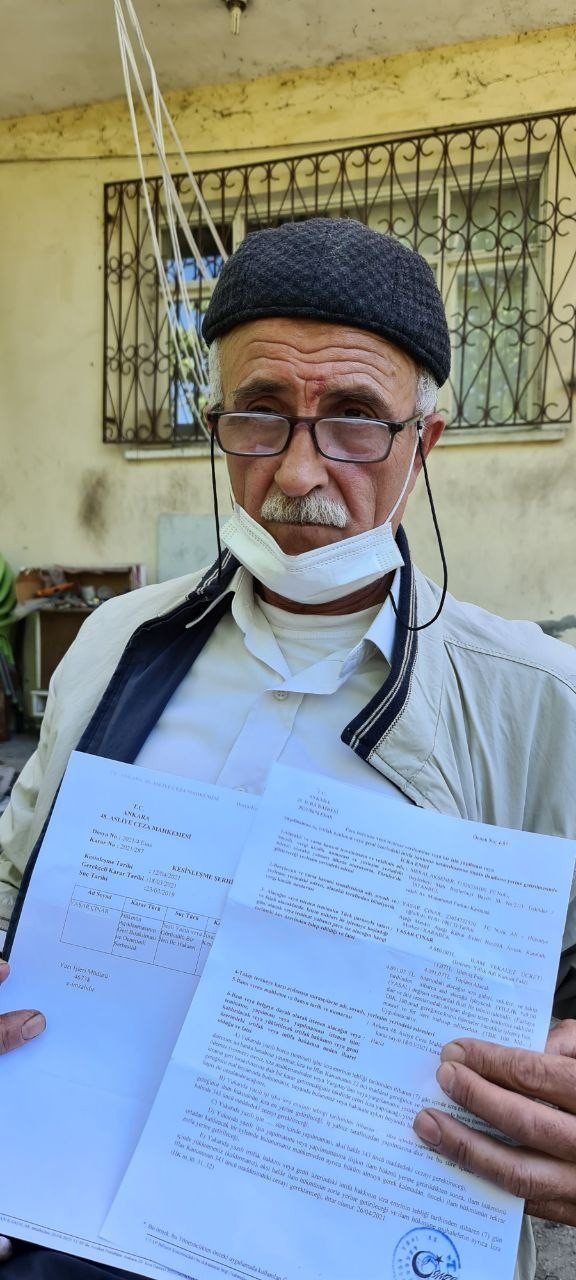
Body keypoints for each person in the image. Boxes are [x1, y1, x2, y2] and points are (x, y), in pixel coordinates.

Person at [1, 217, 576, 1280]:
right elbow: (14, 882)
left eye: (354, 417)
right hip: (63, 1237)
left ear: (424, 444)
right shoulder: (116, 645)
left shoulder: (539, 703)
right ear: (217, 425)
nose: (300, 469)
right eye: (261, 413)